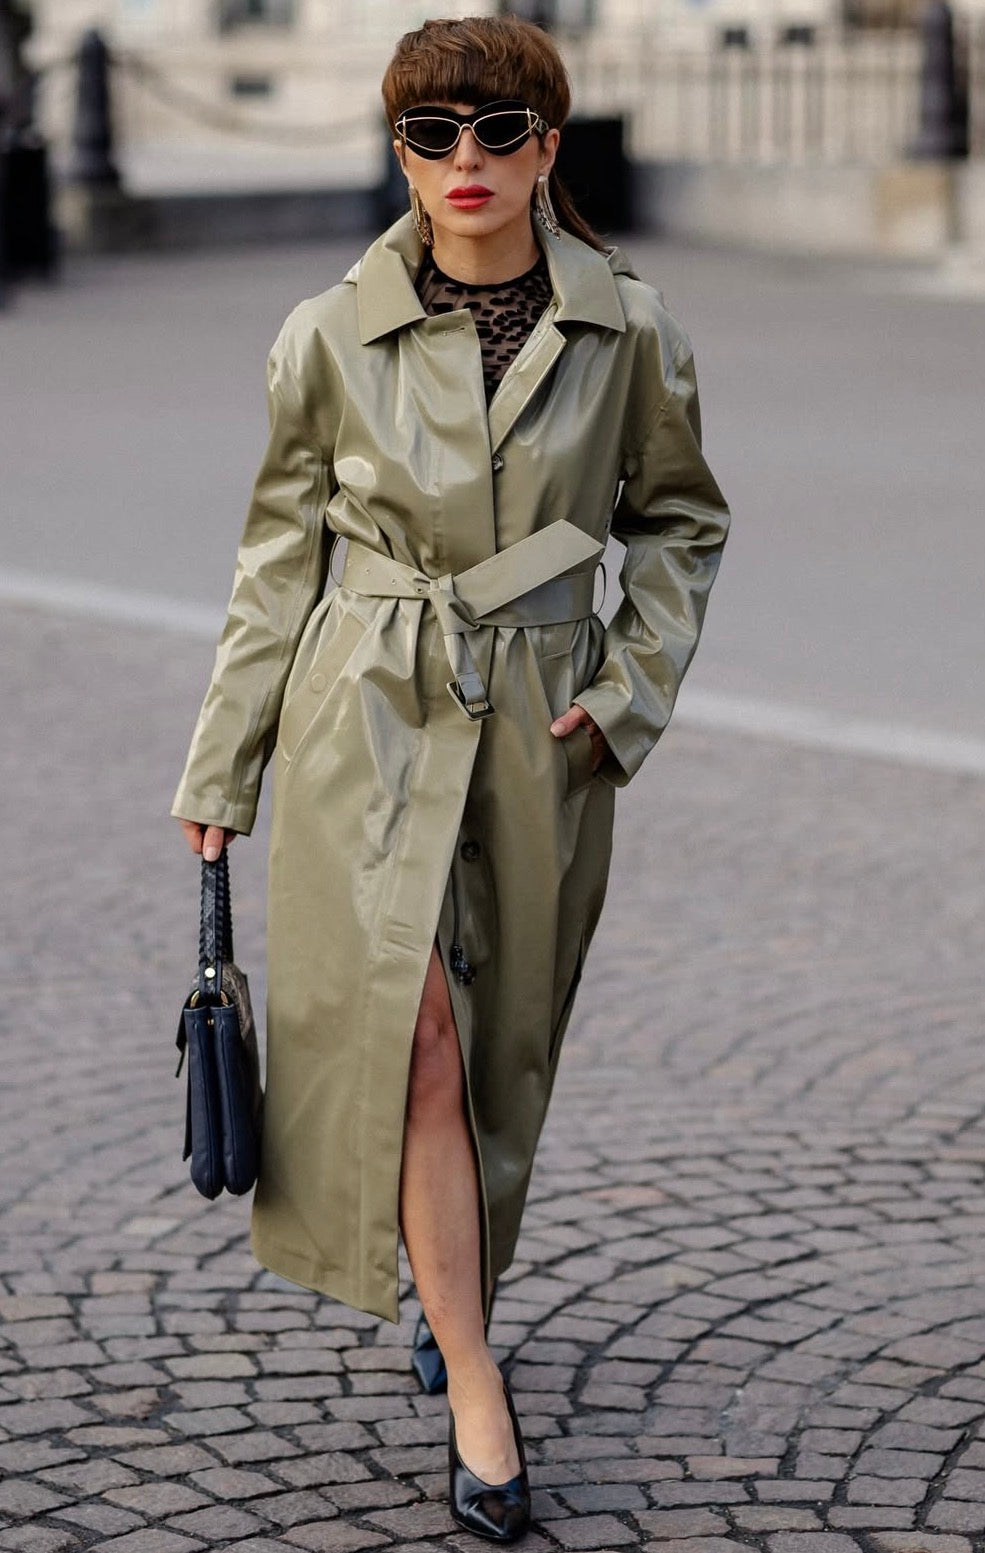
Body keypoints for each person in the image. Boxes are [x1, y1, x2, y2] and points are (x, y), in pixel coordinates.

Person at [171, 14, 730, 1543]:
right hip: (365, 716)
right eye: (431, 135)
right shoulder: (324, 335)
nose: (465, 164)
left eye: (497, 133)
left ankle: (450, 1279)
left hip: (545, 722)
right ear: (397, 148)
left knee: (500, 1058)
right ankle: (476, 1383)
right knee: (412, 1037)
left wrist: (624, 697)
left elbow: (676, 524)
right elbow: (277, 559)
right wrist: (224, 757)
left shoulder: (632, 331)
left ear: (550, 145)